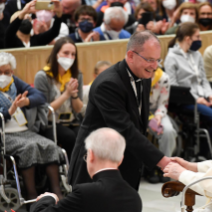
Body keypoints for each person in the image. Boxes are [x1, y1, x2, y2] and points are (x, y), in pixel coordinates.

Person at [68, 30, 170, 190]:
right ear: (131, 56)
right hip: (97, 165)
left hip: (127, 162)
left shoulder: (144, 75)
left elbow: (139, 124)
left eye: (157, 60)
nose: (155, 66)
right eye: (150, 60)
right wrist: (162, 161)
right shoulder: (108, 84)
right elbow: (125, 128)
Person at [0, 52, 64, 201]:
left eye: (7, 72)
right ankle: (31, 194)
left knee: (49, 145)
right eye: (0, 72)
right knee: (29, 148)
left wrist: (26, 102)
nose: (3, 75)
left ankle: (56, 191)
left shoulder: (14, 82)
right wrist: (9, 111)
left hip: (24, 131)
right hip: (5, 135)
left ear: (12, 72)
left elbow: (40, 96)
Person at [30, 128, 142, 212]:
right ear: (121, 159)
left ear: (91, 155)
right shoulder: (134, 197)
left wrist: (48, 198)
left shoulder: (86, 192)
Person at [165, 22, 212, 156]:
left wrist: (210, 95)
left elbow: (203, 79)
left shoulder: (197, 55)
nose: (200, 40)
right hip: (186, 101)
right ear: (188, 39)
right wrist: (197, 99)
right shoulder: (171, 58)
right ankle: (204, 151)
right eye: (197, 37)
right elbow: (175, 87)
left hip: (203, 97)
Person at [34, 37, 83, 158]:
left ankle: (82, 172)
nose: (70, 57)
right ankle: (71, 172)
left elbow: (78, 109)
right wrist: (66, 94)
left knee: (85, 136)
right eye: (66, 53)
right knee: (69, 137)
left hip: (72, 121)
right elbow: (44, 112)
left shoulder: (77, 74)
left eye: (73, 54)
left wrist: (74, 95)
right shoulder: (43, 76)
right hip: (51, 123)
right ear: (56, 54)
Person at [145, 67, 177, 183]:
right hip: (140, 113)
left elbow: (163, 103)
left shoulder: (163, 78)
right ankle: (150, 167)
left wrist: (158, 116)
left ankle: (164, 166)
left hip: (158, 113)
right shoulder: (137, 76)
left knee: (168, 131)